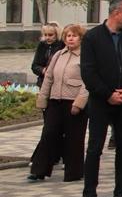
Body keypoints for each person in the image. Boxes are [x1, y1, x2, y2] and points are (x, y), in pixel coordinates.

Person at [79, 0, 122, 197]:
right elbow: (88, 71)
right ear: (116, 13)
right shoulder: (92, 37)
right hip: (100, 101)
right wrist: (107, 94)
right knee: (95, 147)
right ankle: (89, 194)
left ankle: (121, 192)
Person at [29, 24, 88, 182]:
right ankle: (39, 170)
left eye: (74, 36)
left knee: (74, 138)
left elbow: (88, 81)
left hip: (74, 102)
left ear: (81, 38)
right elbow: (48, 77)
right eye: (68, 36)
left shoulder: (86, 56)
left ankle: (73, 172)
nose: (70, 38)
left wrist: (80, 102)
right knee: (48, 134)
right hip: (55, 100)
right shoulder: (58, 55)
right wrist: (43, 98)